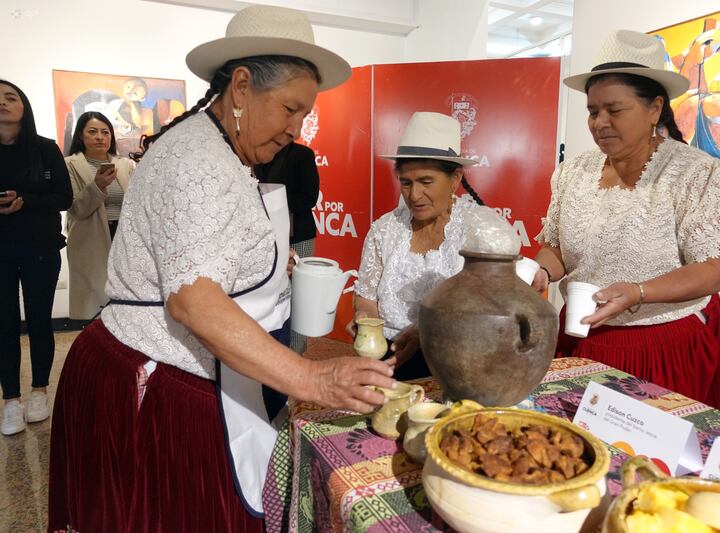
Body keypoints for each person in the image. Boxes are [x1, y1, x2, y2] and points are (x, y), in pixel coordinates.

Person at [48, 7, 396, 532]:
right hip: (154, 383)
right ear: (240, 87)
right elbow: (193, 299)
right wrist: (311, 377)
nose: (295, 130)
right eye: (289, 109)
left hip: (181, 372)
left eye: (305, 114)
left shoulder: (219, 148)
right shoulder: (197, 160)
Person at [532, 30, 720, 415]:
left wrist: (638, 291)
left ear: (654, 109)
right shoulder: (573, 173)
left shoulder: (698, 174)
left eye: (614, 110)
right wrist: (543, 271)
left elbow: (712, 272)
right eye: (592, 111)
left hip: (663, 347)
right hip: (582, 336)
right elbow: (558, 248)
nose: (600, 122)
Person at [348, 112, 500, 381]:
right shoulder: (385, 229)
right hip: (389, 360)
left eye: (426, 182)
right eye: (406, 183)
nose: (414, 195)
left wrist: (427, 332)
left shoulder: (480, 229)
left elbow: (491, 309)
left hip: (456, 363)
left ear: (454, 179)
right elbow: (366, 297)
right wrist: (365, 320)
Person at [0, 80, 72, 436]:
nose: (3, 103)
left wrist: (24, 200)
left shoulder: (44, 149)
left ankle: (40, 390)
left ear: (24, 107)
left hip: (40, 247)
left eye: (10, 97)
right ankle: (10, 400)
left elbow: (64, 197)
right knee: (4, 324)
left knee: (40, 321)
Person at [64, 111, 135, 320]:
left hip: (123, 238)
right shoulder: (69, 164)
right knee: (96, 301)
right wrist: (98, 186)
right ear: (80, 136)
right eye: (92, 132)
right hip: (89, 238)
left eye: (105, 132)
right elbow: (76, 209)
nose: (100, 137)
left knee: (125, 298)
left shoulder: (125, 164)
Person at [256, 141, 319, 354]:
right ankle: (277, 352)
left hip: (298, 236)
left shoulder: (303, 154)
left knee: (299, 295)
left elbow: (309, 197)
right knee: (275, 294)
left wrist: (275, 201)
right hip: (269, 237)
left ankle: (297, 351)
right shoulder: (261, 154)